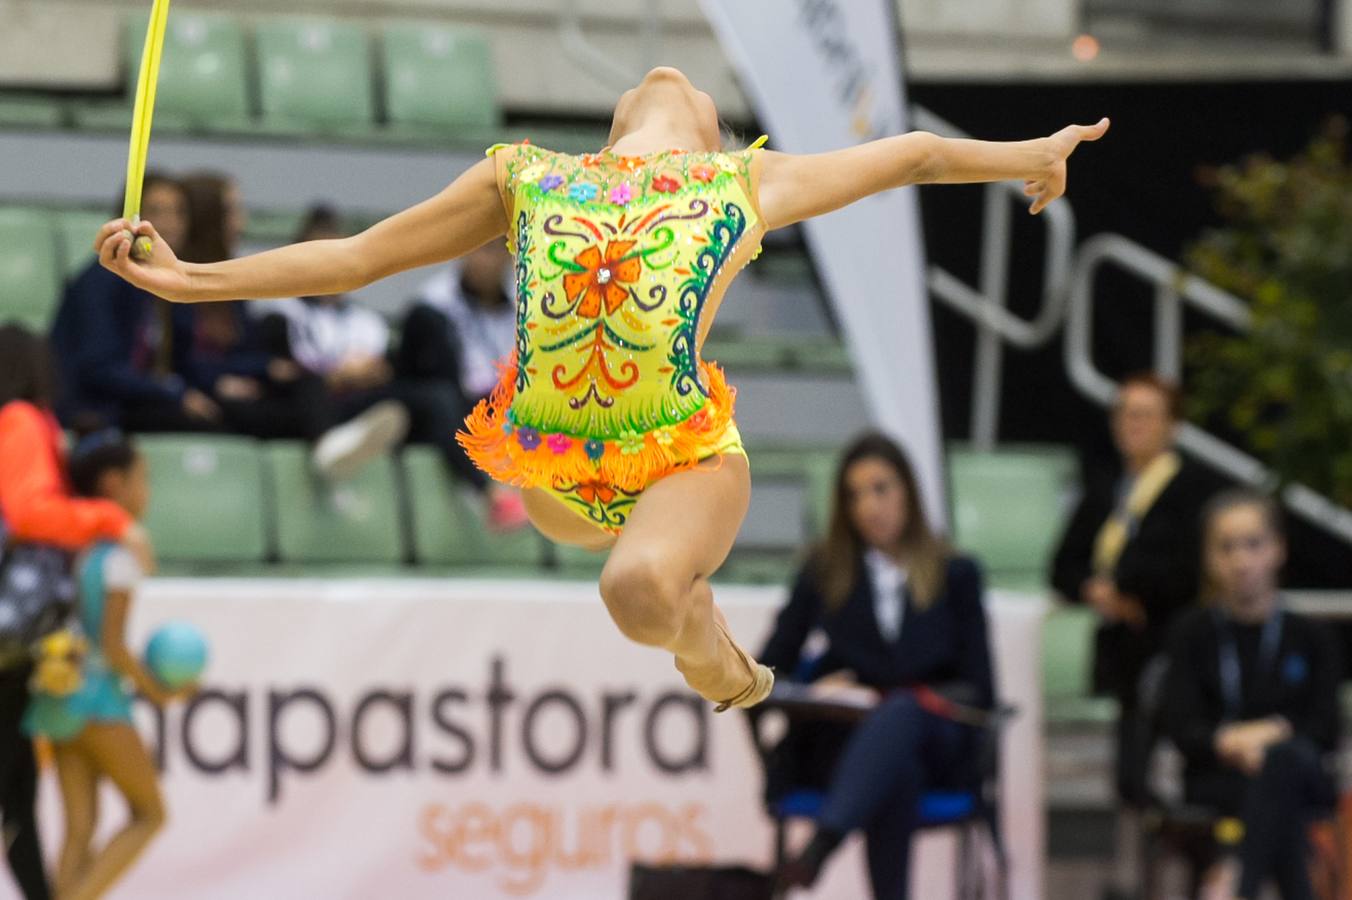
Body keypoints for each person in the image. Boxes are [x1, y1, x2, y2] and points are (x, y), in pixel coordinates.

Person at [95, 65, 1108, 710]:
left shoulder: (744, 183)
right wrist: (190, 282)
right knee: (600, 550)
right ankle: (684, 611)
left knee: (634, 592)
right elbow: (359, 258)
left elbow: (917, 154)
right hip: (551, 468)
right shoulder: (526, 175)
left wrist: (1034, 152)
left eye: (700, 94)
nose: (672, 80)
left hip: (682, 459)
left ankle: (715, 658)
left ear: (713, 134)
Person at [757, 433, 995, 900]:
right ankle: (827, 850)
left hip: (937, 740)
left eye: (881, 488)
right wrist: (813, 692)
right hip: (846, 742)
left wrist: (922, 703)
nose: (869, 506)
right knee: (896, 768)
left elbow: (980, 686)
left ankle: (822, 846)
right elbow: (769, 668)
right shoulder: (823, 571)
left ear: (908, 490)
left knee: (903, 714)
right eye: (854, 495)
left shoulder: (957, 573)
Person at [0, 324, 155, 900]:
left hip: (26, 653)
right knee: (20, 795)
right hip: (19, 640)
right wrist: (111, 520)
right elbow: (30, 513)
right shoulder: (19, 418)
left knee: (25, 798)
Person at [1049, 372, 1215, 899]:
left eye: (1145, 414)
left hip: (1177, 650)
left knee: (1178, 764)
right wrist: (1098, 592)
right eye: (1124, 413)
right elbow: (1062, 565)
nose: (1132, 424)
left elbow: (1187, 569)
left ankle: (1194, 864)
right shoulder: (1105, 486)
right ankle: (1155, 870)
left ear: (1172, 424)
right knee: (1129, 776)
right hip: (1124, 653)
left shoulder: (1191, 486)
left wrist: (1125, 585)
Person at [257, 206, 525, 523]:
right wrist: (336, 375)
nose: (325, 268)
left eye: (333, 258)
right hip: (312, 403)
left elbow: (390, 370)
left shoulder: (364, 321)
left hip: (368, 400)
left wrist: (374, 371)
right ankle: (330, 442)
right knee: (308, 386)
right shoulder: (281, 313)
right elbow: (277, 370)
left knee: (414, 400)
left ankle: (351, 439)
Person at [24, 430, 192, 900]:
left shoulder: (75, 547)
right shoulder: (120, 556)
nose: (148, 491)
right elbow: (113, 648)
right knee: (150, 814)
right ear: (114, 484)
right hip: (96, 697)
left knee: (80, 829)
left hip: (55, 693)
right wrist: (158, 691)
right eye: (144, 479)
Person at [1161, 489, 1341, 900]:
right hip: (1219, 774)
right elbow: (1181, 725)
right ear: (1208, 557)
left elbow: (1326, 726)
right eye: (1226, 547)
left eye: (1253, 544)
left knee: (1286, 763)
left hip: (1300, 774)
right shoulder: (1192, 633)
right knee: (1282, 779)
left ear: (1278, 549)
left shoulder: (1312, 636)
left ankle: (1236, 873)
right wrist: (1232, 744)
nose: (1241, 561)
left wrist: (1267, 735)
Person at [177, 177, 408, 481]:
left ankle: (336, 439)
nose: (242, 221)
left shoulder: (229, 277)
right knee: (305, 386)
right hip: (204, 397)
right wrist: (216, 381)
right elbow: (174, 356)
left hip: (253, 388)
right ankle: (329, 442)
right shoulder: (181, 282)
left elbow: (246, 353)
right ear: (208, 217)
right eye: (233, 210)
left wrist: (265, 369)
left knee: (316, 385)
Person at [49, 173, 213, 433]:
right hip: (97, 409)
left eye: (178, 212)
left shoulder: (171, 283)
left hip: (140, 401)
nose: (170, 223)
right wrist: (172, 392)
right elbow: (98, 369)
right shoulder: (100, 281)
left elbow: (186, 362)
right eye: (157, 211)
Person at [398, 240, 516, 403]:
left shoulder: (525, 302)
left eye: (488, 249)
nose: (478, 259)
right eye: (472, 248)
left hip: (514, 403)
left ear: (510, 253)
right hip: (460, 406)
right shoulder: (433, 304)